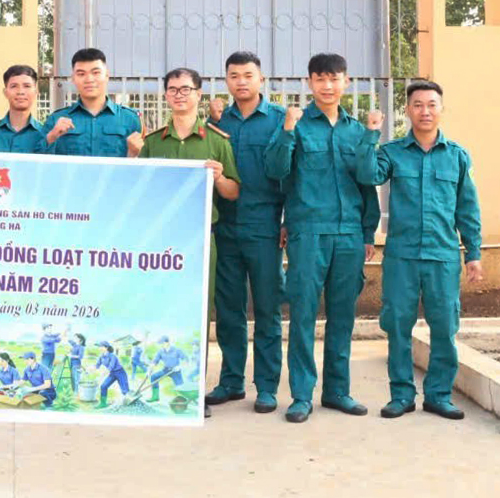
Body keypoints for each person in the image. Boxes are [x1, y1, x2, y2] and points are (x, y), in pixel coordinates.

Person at [356, 80, 483, 420]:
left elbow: (467, 208)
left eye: (431, 104)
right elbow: (368, 175)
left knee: (444, 328)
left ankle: (439, 395)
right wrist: (371, 135)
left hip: (443, 256)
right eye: (417, 105)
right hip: (402, 257)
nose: (425, 111)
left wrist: (473, 253)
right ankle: (401, 395)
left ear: (441, 108)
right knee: (398, 326)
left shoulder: (456, 156)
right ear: (408, 110)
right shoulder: (393, 152)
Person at [265, 53, 381, 424]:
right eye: (320, 79)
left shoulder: (356, 131)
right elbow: (276, 170)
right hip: (308, 233)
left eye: (334, 78)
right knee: (302, 315)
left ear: (346, 82)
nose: (327, 86)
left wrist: (368, 232)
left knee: (342, 317)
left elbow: (367, 186)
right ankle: (301, 395)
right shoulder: (297, 125)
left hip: (349, 235)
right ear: (309, 83)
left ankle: (337, 391)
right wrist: (287, 130)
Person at [206, 51, 288, 414]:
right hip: (225, 227)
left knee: (267, 309)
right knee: (228, 309)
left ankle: (267, 387)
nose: (241, 82)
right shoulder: (217, 123)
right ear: (226, 80)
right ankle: (231, 381)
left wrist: (288, 220)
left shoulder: (280, 120)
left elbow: (293, 172)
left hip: (265, 228)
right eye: (234, 76)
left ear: (261, 79)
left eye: (248, 75)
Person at [137, 67, 241, 300]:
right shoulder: (153, 143)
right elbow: (139, 190)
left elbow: (233, 192)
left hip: (200, 237)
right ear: (166, 95)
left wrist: (219, 178)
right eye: (172, 90)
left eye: (185, 89)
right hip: (160, 238)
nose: (179, 95)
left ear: (198, 94)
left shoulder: (217, 141)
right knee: (158, 301)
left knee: (199, 303)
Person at [43, 48, 142, 157]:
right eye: (81, 74)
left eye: (95, 73)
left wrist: (132, 155)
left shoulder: (130, 119)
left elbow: (144, 163)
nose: (89, 79)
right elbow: (37, 161)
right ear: (73, 78)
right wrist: (51, 136)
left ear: (107, 76)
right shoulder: (56, 120)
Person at [0, 65, 47, 154]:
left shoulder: (44, 134)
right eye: (14, 86)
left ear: (36, 91)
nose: (20, 92)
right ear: (5, 92)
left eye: (27, 86)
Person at [148, 336, 189, 404]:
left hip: (175, 371)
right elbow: (155, 361)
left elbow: (186, 359)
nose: (161, 345)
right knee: (153, 377)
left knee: (180, 386)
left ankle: (183, 400)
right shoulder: (160, 351)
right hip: (165, 370)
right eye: (160, 343)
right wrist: (150, 369)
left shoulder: (177, 350)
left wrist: (180, 366)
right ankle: (155, 397)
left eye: (162, 343)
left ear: (167, 342)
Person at [93, 341, 129, 409]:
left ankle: (129, 404)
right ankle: (103, 403)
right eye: (99, 347)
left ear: (106, 347)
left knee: (125, 390)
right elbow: (97, 365)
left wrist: (101, 376)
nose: (99, 348)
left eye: (101, 346)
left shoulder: (112, 356)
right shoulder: (101, 356)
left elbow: (110, 367)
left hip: (120, 373)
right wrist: (89, 369)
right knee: (103, 386)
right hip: (112, 373)